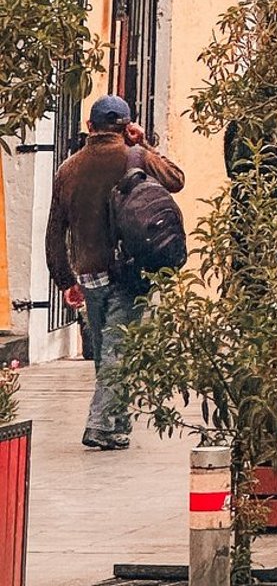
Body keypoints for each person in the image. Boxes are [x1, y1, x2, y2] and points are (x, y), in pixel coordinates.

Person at [46, 94, 187, 452]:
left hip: (88, 273)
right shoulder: (135, 156)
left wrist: (64, 280)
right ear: (127, 127)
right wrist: (145, 143)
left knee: (109, 347)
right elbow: (176, 179)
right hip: (129, 270)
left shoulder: (68, 169)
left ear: (90, 127)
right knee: (117, 350)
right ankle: (101, 425)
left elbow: (54, 232)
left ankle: (116, 422)